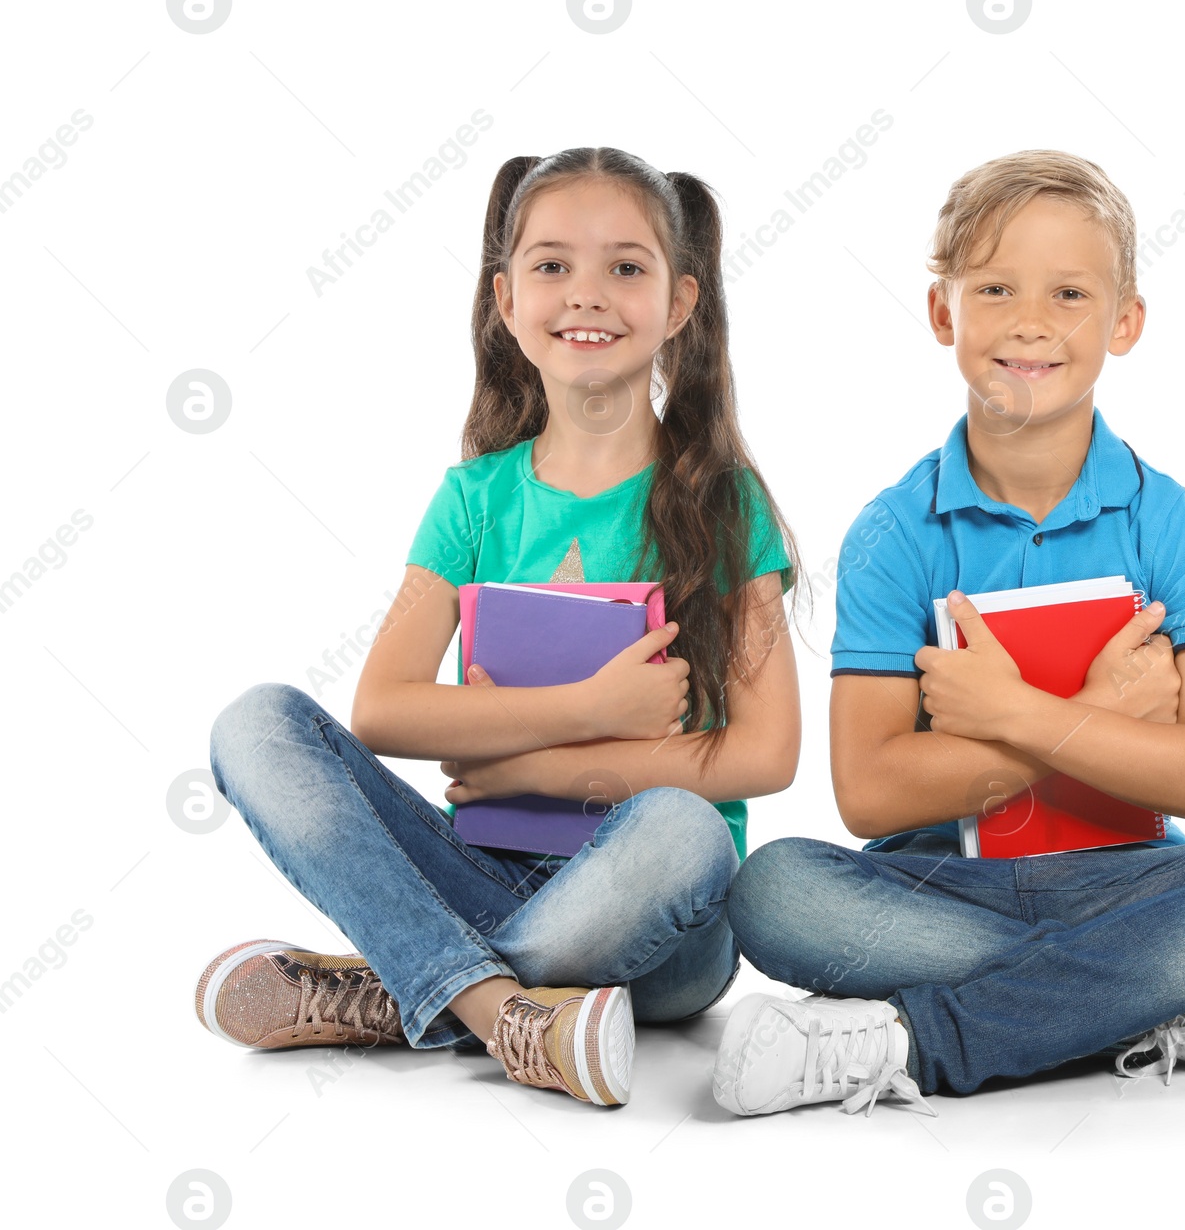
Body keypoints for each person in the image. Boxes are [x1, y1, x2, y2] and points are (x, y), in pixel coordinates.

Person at [712, 149, 1185, 1118]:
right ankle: (1163, 1004)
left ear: (1123, 321)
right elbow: (869, 791)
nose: (1029, 321)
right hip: (941, 886)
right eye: (995, 287)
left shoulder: (1167, 523)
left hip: (1130, 883)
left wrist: (1015, 711)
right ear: (944, 311)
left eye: (1068, 293)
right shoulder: (895, 533)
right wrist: (1097, 710)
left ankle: (907, 1039)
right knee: (773, 890)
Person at [199, 147, 803, 1109]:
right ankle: (502, 1013)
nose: (587, 295)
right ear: (506, 299)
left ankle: (403, 982)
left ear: (679, 304)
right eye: (553, 265)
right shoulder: (473, 502)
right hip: (480, 865)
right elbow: (386, 712)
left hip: (658, 926)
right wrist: (590, 707)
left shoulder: (724, 503)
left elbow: (767, 755)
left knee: (687, 833)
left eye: (627, 267)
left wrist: (529, 765)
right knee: (254, 722)